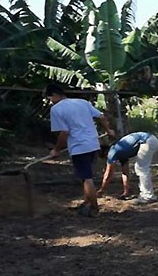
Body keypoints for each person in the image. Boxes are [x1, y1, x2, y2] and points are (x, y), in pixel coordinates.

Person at [45, 83, 114, 217]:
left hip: (79, 146)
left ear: (54, 95)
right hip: (93, 144)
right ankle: (87, 203)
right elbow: (101, 116)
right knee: (86, 176)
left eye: (50, 98)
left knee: (86, 178)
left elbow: (64, 133)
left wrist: (56, 150)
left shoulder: (56, 109)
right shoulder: (82, 102)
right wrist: (109, 130)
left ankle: (94, 209)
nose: (50, 101)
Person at [97, 131, 158, 205]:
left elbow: (108, 174)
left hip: (146, 141)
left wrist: (101, 190)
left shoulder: (112, 152)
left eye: (105, 158)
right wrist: (125, 192)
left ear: (105, 153)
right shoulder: (121, 152)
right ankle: (146, 195)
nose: (107, 159)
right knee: (141, 168)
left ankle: (147, 196)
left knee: (141, 168)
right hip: (150, 139)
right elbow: (125, 173)